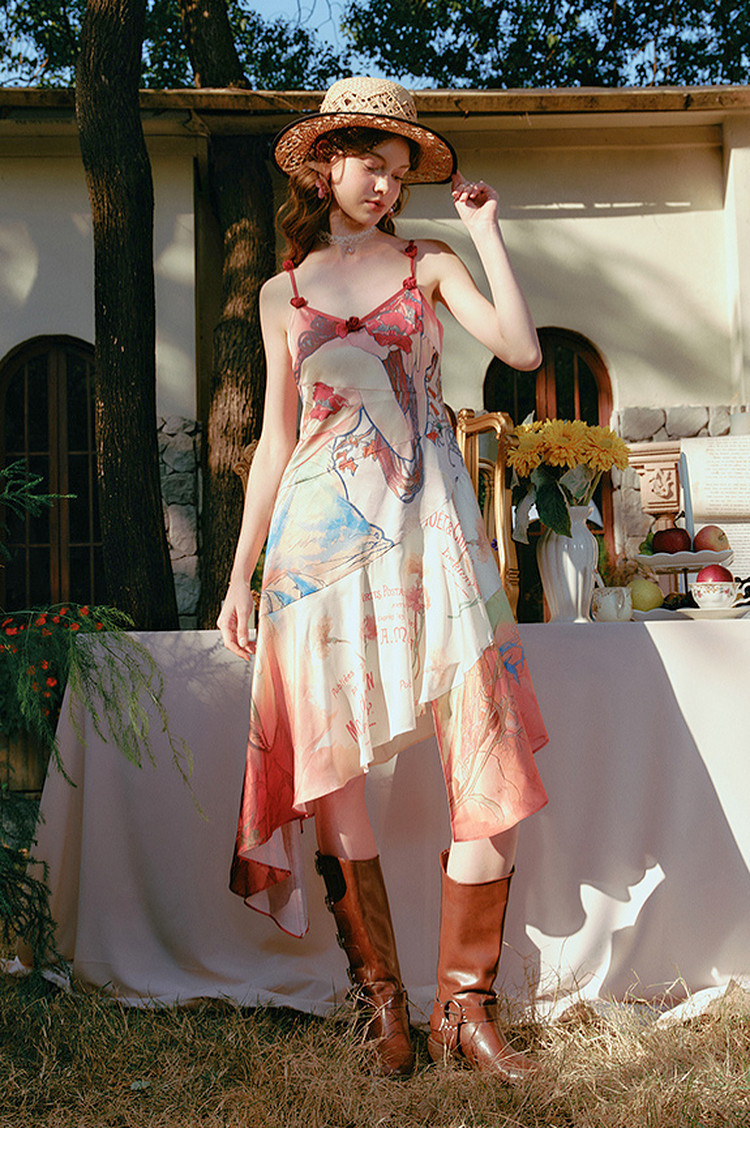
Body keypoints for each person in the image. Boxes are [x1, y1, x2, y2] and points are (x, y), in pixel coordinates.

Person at [218, 77, 549, 1081]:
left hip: (430, 528)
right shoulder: (282, 293)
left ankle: (465, 1007)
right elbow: (275, 443)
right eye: (372, 164)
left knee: (485, 750)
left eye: (402, 173)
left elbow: (521, 349)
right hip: (316, 548)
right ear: (325, 165)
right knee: (334, 768)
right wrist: (241, 576)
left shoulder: (428, 262)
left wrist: (485, 234)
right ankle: (383, 1008)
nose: (387, 185)